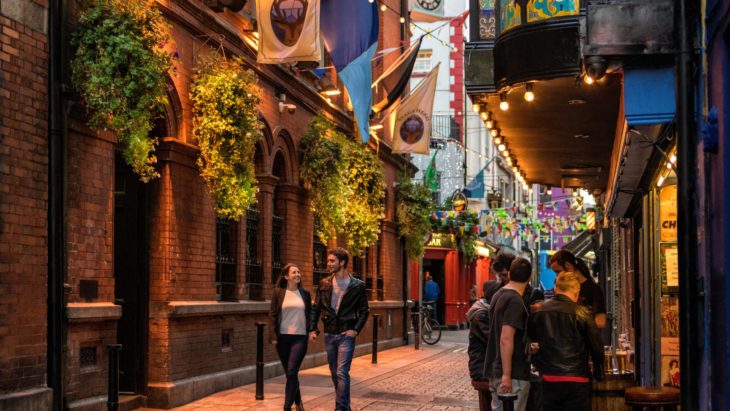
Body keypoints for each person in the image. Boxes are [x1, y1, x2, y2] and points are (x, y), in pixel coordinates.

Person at [528, 272, 604, 411]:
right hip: (577, 379)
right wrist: (599, 372)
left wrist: (536, 360)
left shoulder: (538, 310)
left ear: (556, 289)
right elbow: (596, 347)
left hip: (548, 378)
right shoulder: (583, 313)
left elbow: (530, 339)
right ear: (577, 291)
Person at [309, 247, 369, 411]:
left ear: (342, 262)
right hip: (329, 333)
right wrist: (312, 328)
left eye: (331, 261)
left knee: (342, 372)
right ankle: (345, 405)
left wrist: (355, 330)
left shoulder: (358, 286)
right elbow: (316, 307)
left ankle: (341, 408)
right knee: (335, 372)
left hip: (346, 334)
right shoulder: (324, 283)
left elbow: (364, 311)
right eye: (328, 260)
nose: (328, 263)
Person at [485, 257, 533, 411]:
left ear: (510, 274)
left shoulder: (498, 294)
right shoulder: (514, 301)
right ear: (530, 277)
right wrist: (507, 375)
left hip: (495, 368)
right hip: (512, 374)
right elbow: (506, 337)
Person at [269, 263, 311, 411]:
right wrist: (273, 336)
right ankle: (298, 402)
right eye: (294, 272)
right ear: (286, 276)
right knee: (290, 373)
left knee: (292, 371)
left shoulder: (305, 294)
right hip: (282, 338)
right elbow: (273, 315)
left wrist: (311, 331)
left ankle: (287, 407)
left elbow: (310, 315)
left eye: (298, 272)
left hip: (300, 337)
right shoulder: (278, 293)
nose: (297, 275)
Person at [550, 250, 607, 328]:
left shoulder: (593, 289)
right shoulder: (560, 287)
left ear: (568, 265)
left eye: (558, 271)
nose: (557, 276)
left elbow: (601, 321)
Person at [467, 280, 501, 381]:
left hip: (489, 365)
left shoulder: (489, 311)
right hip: (482, 368)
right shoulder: (481, 315)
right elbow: (493, 340)